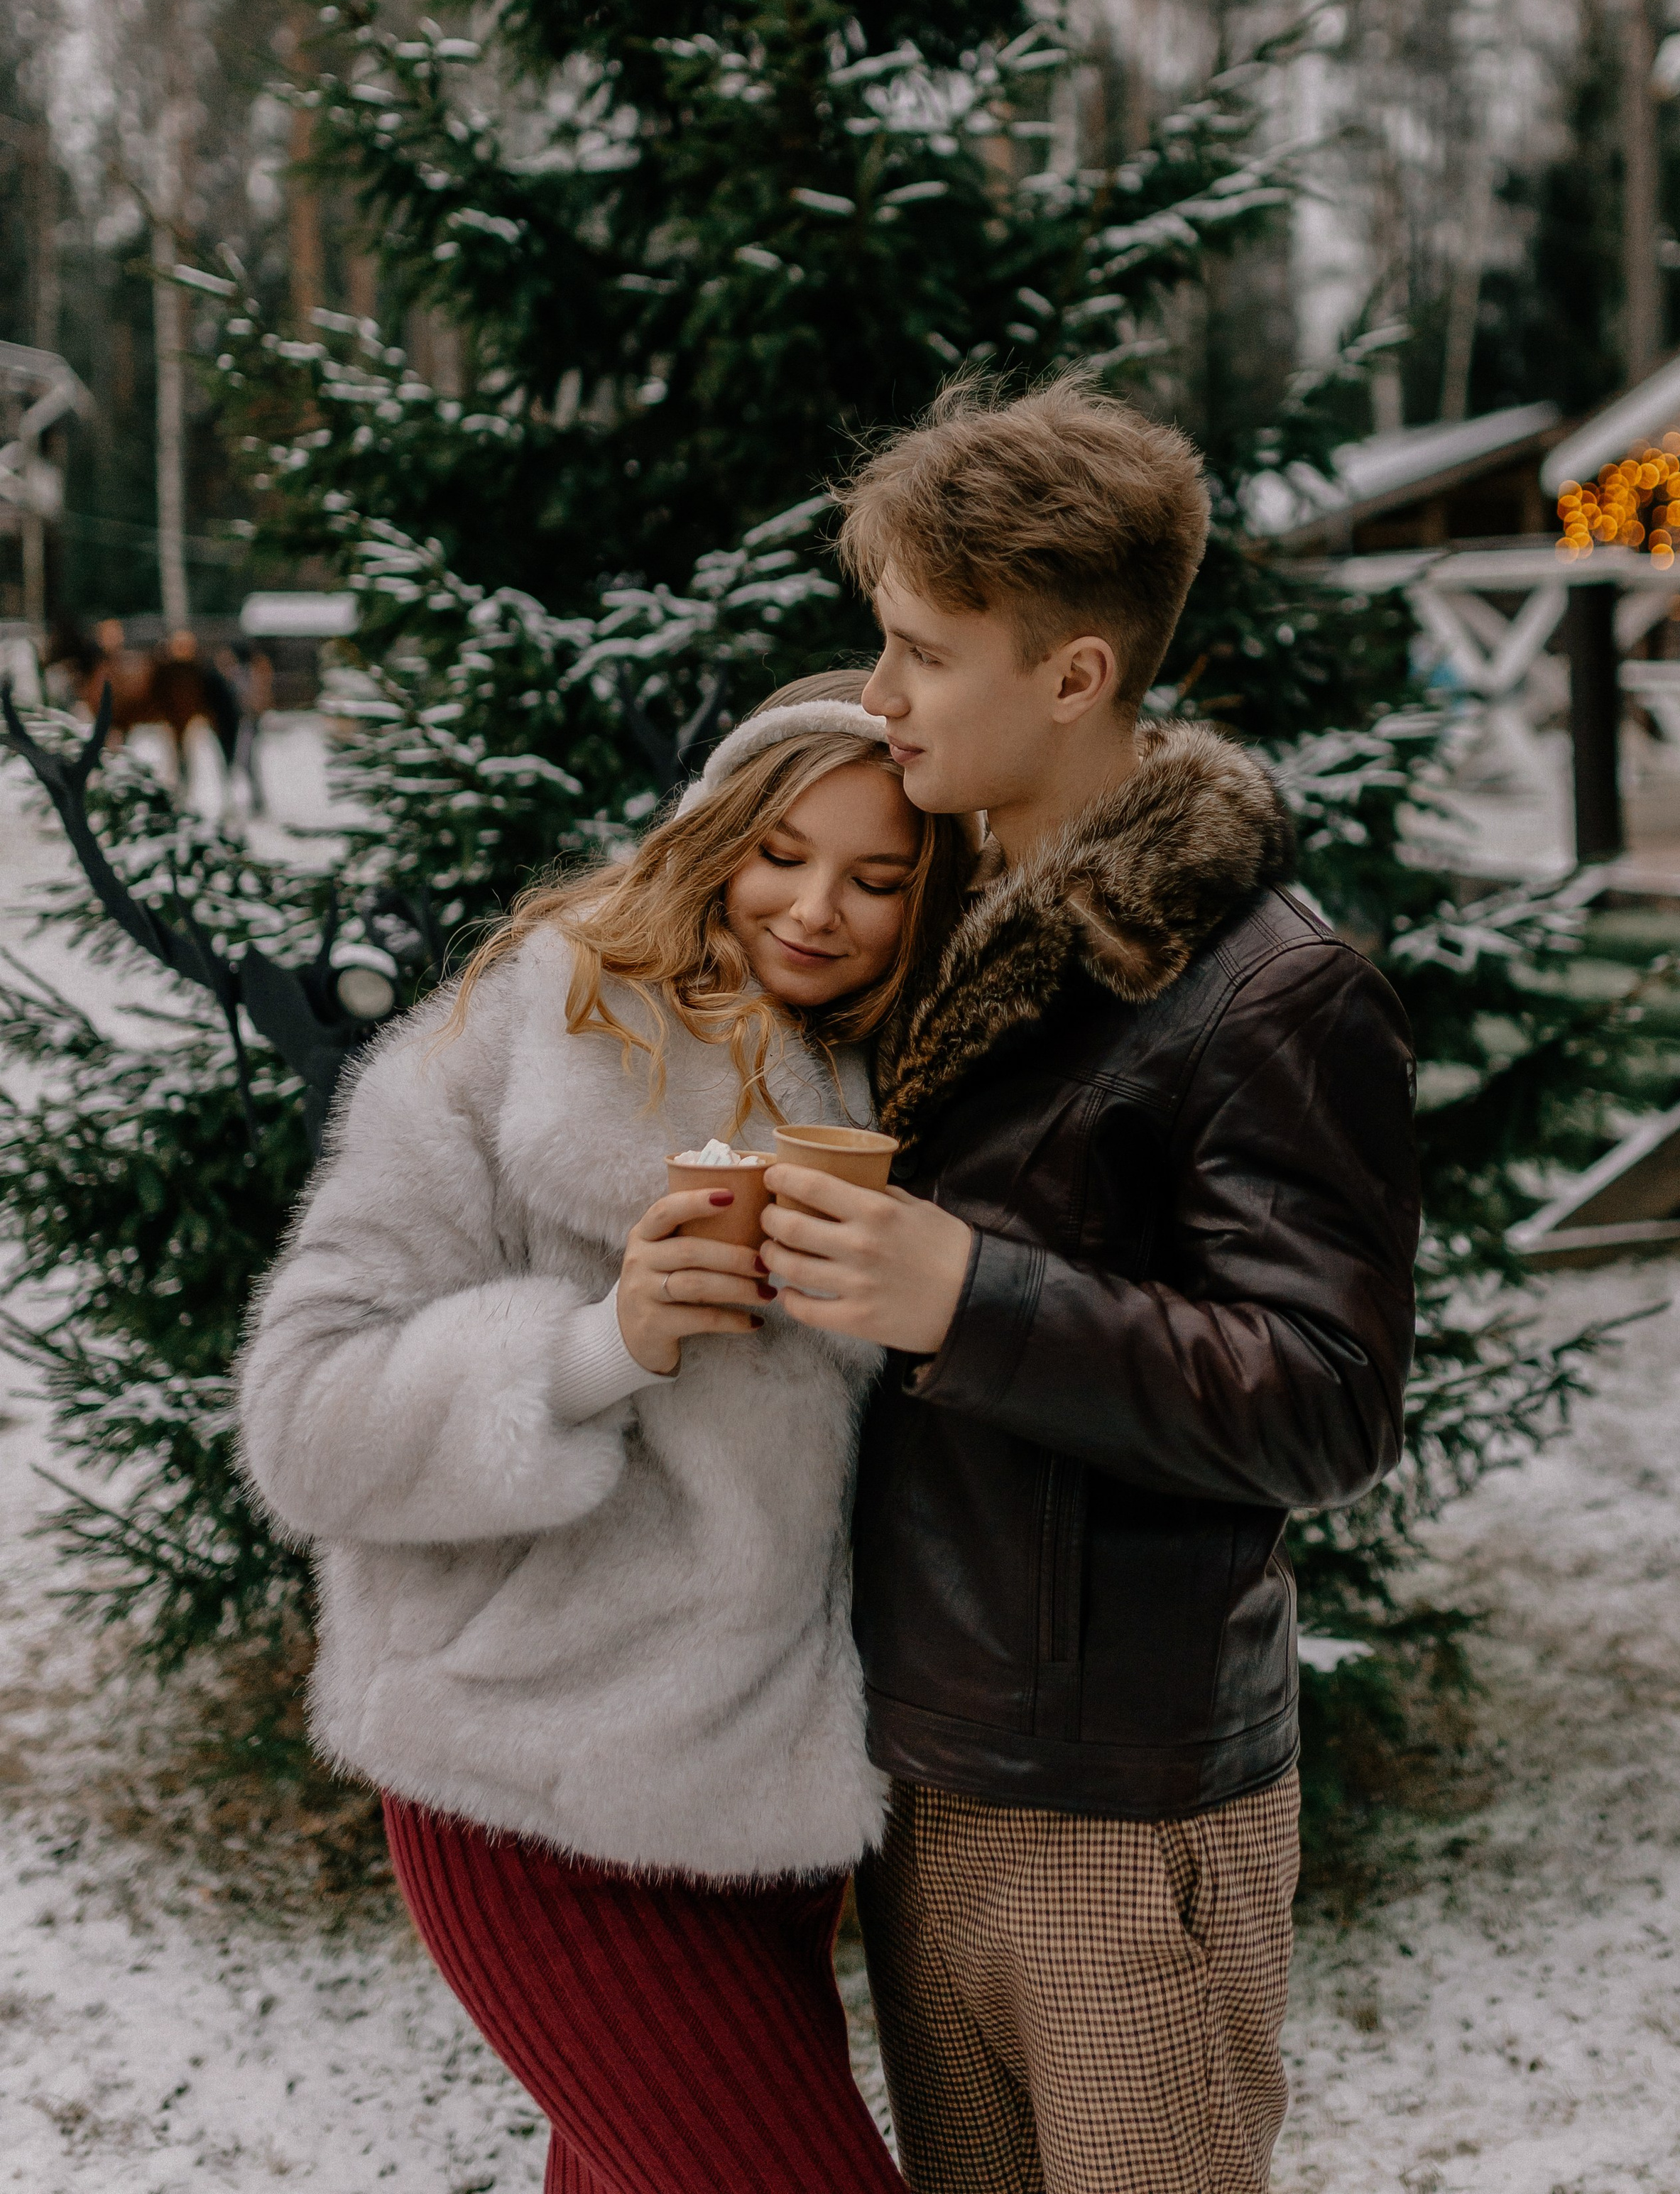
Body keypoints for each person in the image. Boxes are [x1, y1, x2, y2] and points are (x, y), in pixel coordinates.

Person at [756, 377, 1422, 2194]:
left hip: (1126, 1810)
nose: (877, 694)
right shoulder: (919, 919)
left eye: (921, 653)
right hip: (915, 1765)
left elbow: (1325, 1401)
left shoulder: (1273, 992)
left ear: (1072, 676)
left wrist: (971, 1297)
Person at [238, 678, 973, 2194]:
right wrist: (596, 1347)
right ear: (711, 833)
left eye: (877, 878)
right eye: (780, 853)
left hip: (771, 1820)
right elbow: (302, 1418)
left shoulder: (909, 1072)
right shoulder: (522, 1031)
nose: (814, 909)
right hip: (533, 1786)